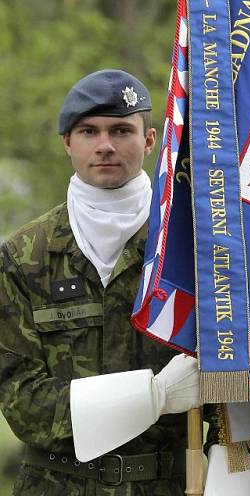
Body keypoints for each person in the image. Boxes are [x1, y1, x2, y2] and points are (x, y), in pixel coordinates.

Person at [0, 69, 209, 496]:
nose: (105, 145)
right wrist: (151, 397)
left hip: (169, 486)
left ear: (150, 140)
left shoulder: (190, 247)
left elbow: (235, 386)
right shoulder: (25, 255)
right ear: (67, 142)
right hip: (55, 486)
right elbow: (23, 404)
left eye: (121, 130)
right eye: (88, 131)